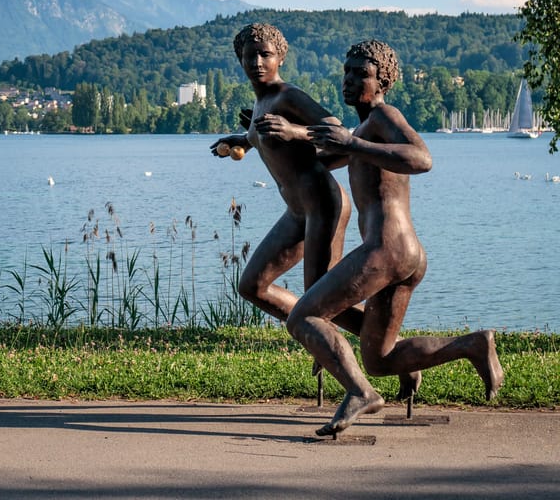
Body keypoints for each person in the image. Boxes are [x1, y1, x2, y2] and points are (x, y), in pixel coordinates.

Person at [287, 39, 504, 436]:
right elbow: (315, 162)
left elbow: (422, 158)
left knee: (303, 315)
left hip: (385, 250)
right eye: (347, 72)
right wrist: (254, 139)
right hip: (406, 254)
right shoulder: (363, 132)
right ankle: (471, 345)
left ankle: (359, 393)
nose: (350, 81)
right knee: (381, 358)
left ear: (382, 80)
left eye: (361, 74)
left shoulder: (383, 117)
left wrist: (352, 144)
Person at [211, 24, 419, 398]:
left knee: (318, 304)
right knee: (252, 286)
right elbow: (294, 144)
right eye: (250, 55)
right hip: (298, 210)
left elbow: (334, 128)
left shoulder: (288, 95)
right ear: (238, 59)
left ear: (280, 58)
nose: (257, 62)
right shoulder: (261, 102)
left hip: (322, 205)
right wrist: (245, 140)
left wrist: (294, 132)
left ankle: (366, 381)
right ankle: (391, 346)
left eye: (266, 54)